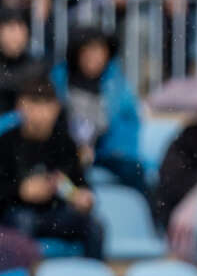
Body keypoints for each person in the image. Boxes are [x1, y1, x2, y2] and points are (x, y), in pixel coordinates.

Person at [0, 79, 102, 257]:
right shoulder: (6, 142)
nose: (40, 112)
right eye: (33, 104)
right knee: (22, 222)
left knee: (94, 227)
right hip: (18, 212)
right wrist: (21, 191)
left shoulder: (65, 142)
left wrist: (83, 198)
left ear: (56, 108)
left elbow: (79, 182)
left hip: (56, 212)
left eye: (46, 105)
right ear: (20, 106)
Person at [53, 28, 148, 194]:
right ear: (76, 53)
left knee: (135, 172)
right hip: (63, 152)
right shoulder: (59, 81)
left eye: (99, 52)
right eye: (87, 51)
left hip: (106, 153)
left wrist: (98, 150)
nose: (93, 58)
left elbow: (127, 129)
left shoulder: (118, 86)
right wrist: (73, 148)